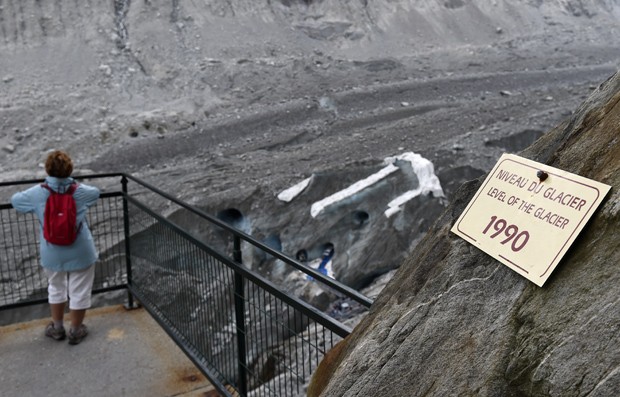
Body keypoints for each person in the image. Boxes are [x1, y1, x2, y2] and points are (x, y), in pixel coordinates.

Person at [11, 150, 100, 345]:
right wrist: (73, 184)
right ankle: (76, 331)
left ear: (48, 169)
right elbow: (96, 193)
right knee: (80, 289)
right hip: (81, 250)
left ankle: (57, 328)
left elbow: (16, 201)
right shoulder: (81, 192)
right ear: (69, 169)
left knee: (56, 287)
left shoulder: (37, 192)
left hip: (51, 251)